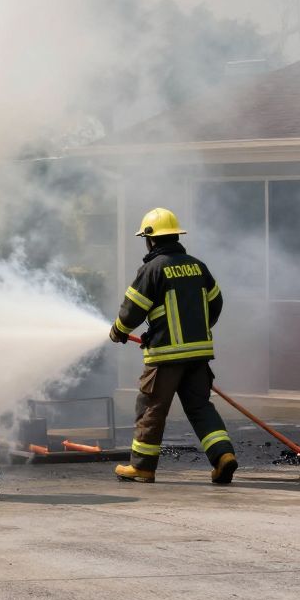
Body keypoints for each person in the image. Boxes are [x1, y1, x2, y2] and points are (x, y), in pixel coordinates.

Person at [109, 207, 237, 484]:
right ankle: (223, 455)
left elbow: (132, 311)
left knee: (151, 408)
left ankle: (142, 467)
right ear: (175, 236)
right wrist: (198, 330)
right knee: (200, 407)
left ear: (151, 239)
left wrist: (118, 331)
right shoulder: (198, 266)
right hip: (198, 355)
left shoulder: (152, 269)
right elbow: (215, 302)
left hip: (165, 358)